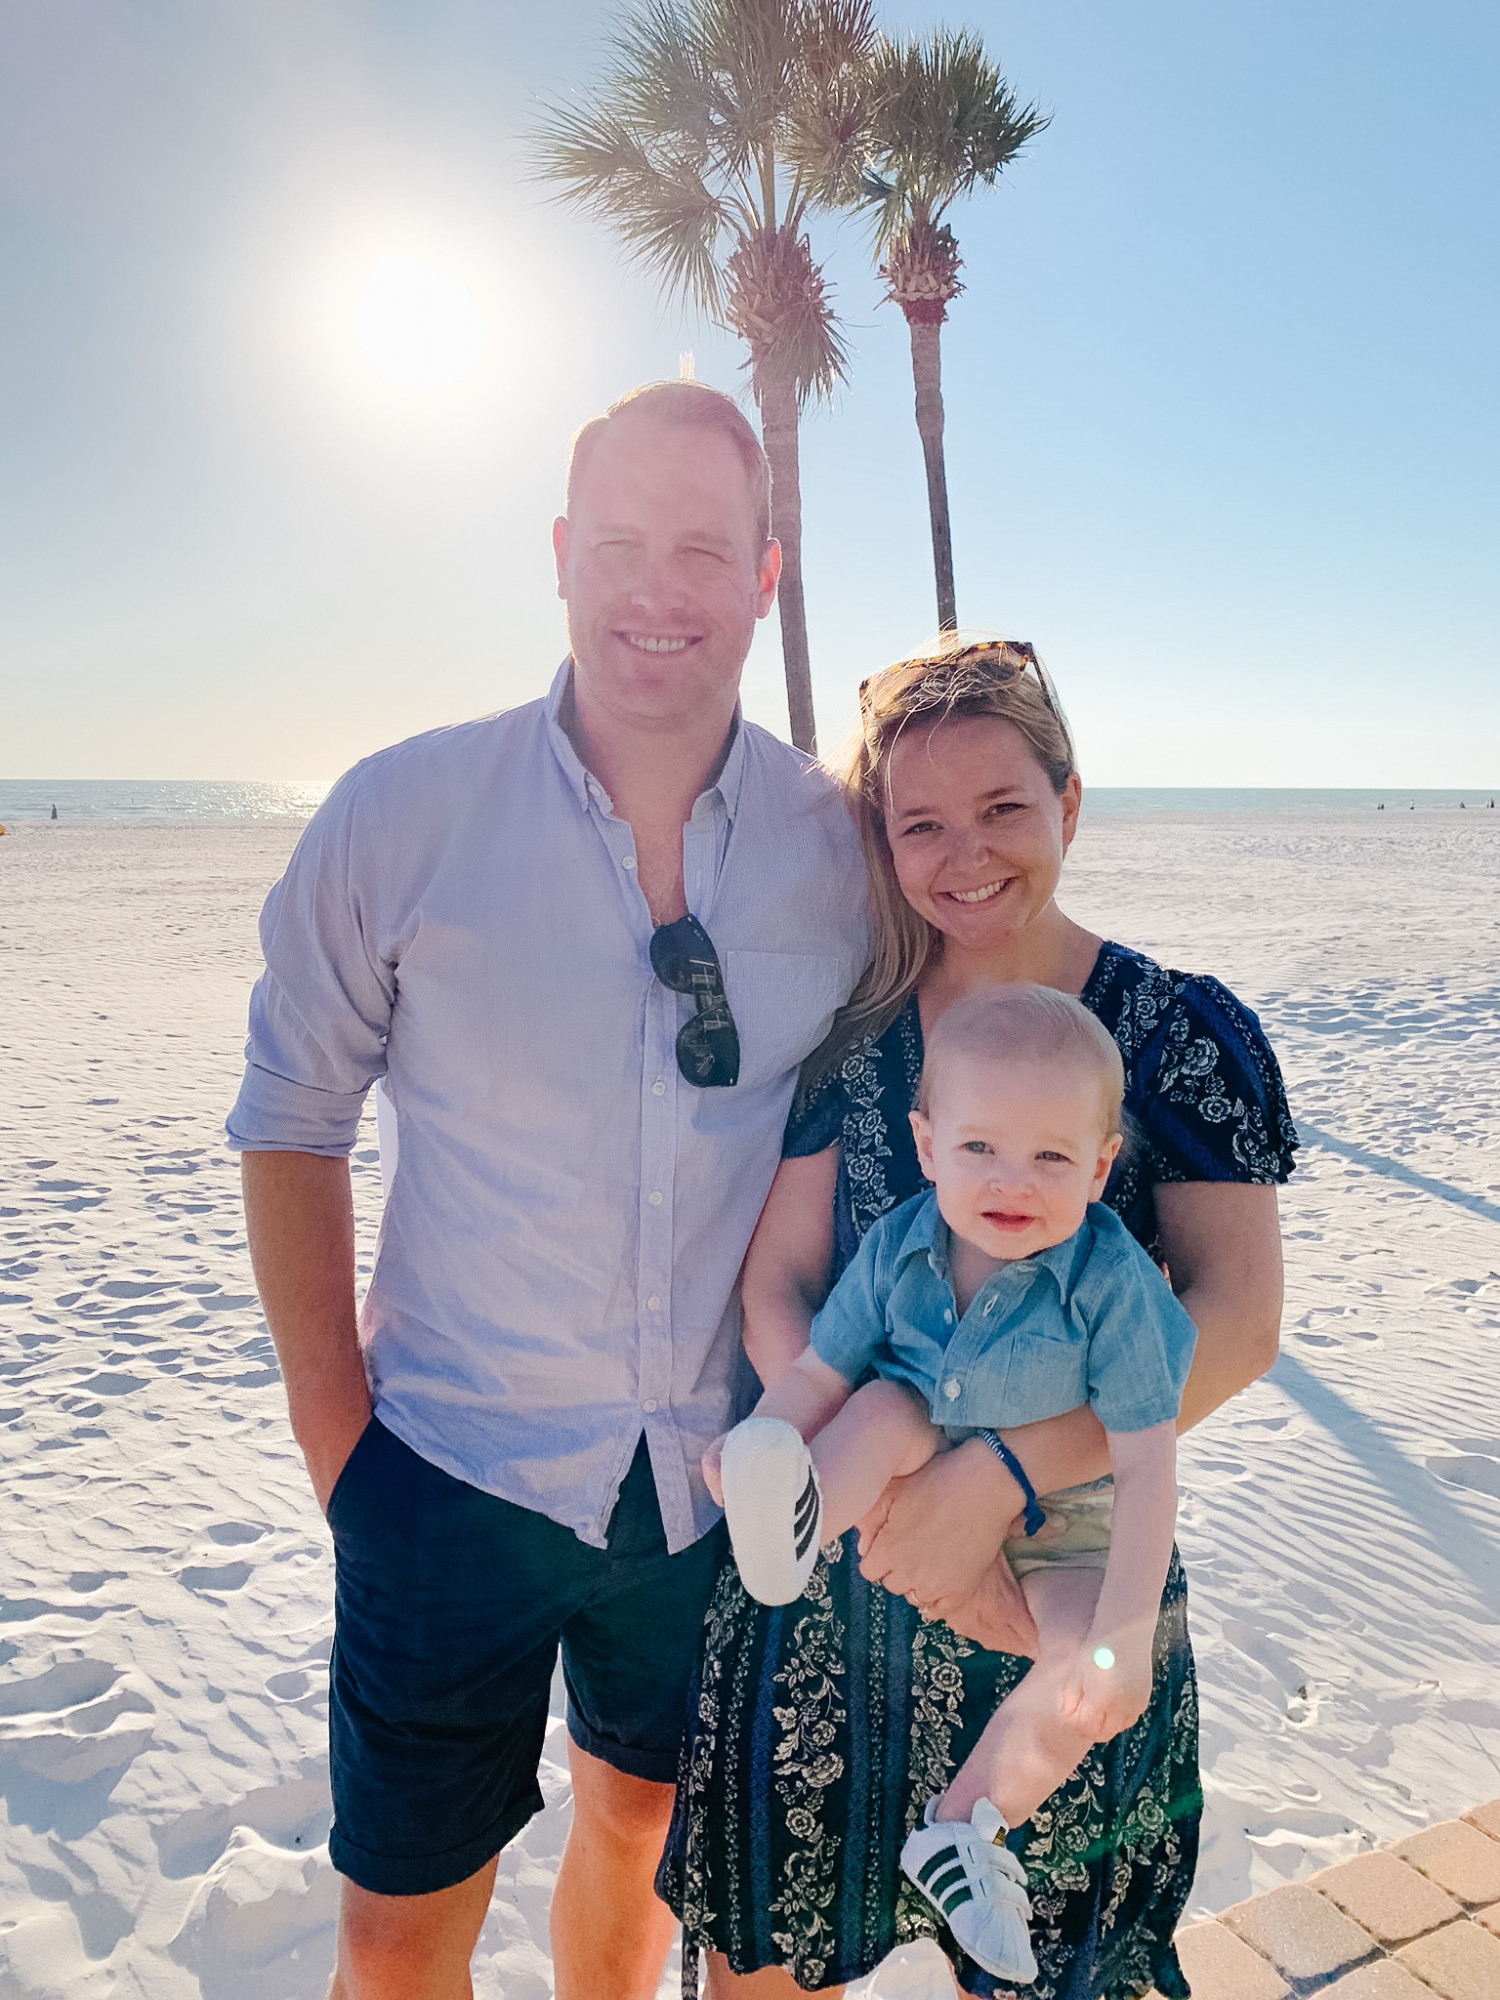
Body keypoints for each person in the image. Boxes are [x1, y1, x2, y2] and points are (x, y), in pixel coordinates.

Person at [226, 380, 870, 2000]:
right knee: (396, 1935)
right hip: (443, 1468)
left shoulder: (833, 844)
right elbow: (290, 1119)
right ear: (563, 555)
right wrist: (338, 1448)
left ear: (765, 576)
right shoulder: (402, 813)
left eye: (706, 550)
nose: (661, 589)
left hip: (721, 1489)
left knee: (644, 1832)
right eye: (627, 543)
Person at [657, 636, 1298, 1999]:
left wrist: (997, 1477)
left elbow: (1233, 1325)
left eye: (1006, 808)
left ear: (1070, 803)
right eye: (921, 825)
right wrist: (876, 1492)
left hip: (1063, 1577)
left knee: (1065, 1968)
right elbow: (781, 1289)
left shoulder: (1180, 1037)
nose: (968, 855)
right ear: (882, 843)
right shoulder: (856, 1041)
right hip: (834, 1583)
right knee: (766, 1965)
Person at [708, 983, 1197, 1985]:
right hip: (917, 1449)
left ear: (1102, 1167)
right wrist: (762, 1439)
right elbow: (817, 1373)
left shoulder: (1112, 1280)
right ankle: (785, 1524)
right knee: (883, 1408)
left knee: (1081, 1673)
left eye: (1052, 1155)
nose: (1010, 1179)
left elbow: (1149, 1462)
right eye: (979, 1147)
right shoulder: (900, 1246)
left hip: (1075, 1520)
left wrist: (1129, 1630)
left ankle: (965, 1826)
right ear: (927, 1145)